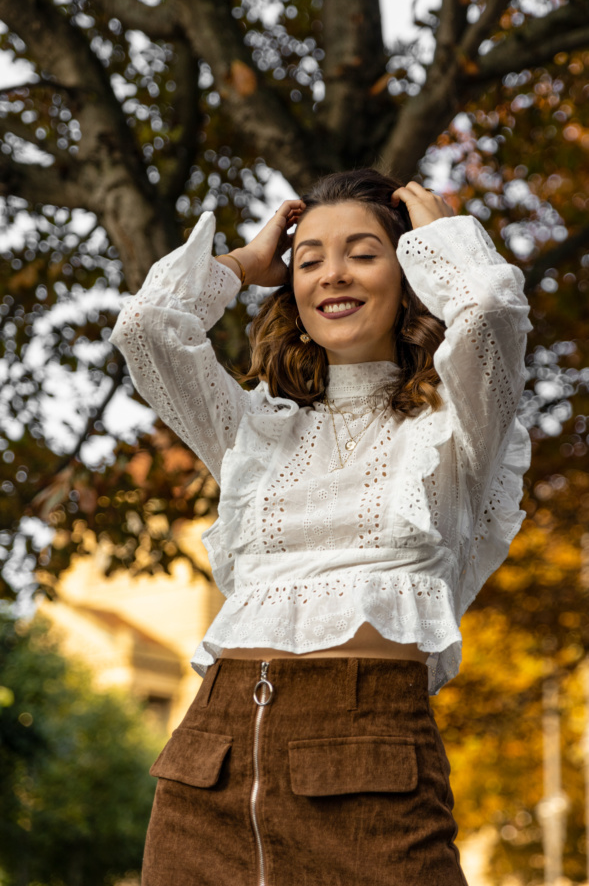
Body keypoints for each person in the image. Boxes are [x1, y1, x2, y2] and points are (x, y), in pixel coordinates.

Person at [110, 168, 533, 886]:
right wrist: (245, 264)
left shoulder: (457, 429)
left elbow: (490, 310)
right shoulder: (256, 431)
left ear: (408, 275)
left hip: (372, 768)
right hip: (207, 763)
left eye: (363, 253)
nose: (332, 275)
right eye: (309, 261)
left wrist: (441, 238)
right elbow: (147, 331)